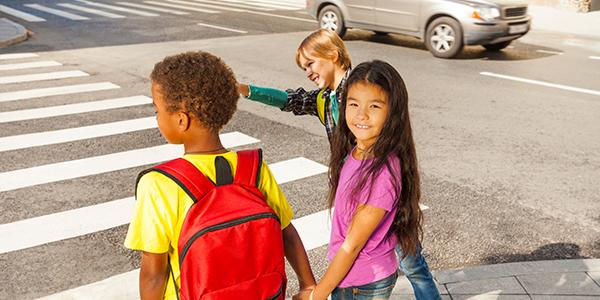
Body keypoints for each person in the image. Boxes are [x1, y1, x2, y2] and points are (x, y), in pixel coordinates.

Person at [240, 29, 441, 299]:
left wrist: (317, 293)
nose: (308, 72)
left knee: (410, 262)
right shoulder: (325, 99)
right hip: (357, 190)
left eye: (310, 63)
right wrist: (247, 91)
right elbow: (289, 100)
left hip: (376, 191)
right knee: (373, 249)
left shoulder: (363, 83)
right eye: (304, 68)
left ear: (333, 54)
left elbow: (351, 247)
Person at [124, 51, 316, 300]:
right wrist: (308, 284)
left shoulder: (159, 184)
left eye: (157, 110)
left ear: (181, 120)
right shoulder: (254, 169)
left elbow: (153, 274)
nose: (157, 116)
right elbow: (286, 232)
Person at [296, 60, 424, 300]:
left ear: (393, 112)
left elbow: (352, 246)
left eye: (374, 106)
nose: (361, 114)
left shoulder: (382, 173)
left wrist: (317, 295)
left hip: (361, 283)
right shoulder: (357, 151)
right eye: (353, 104)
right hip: (355, 276)